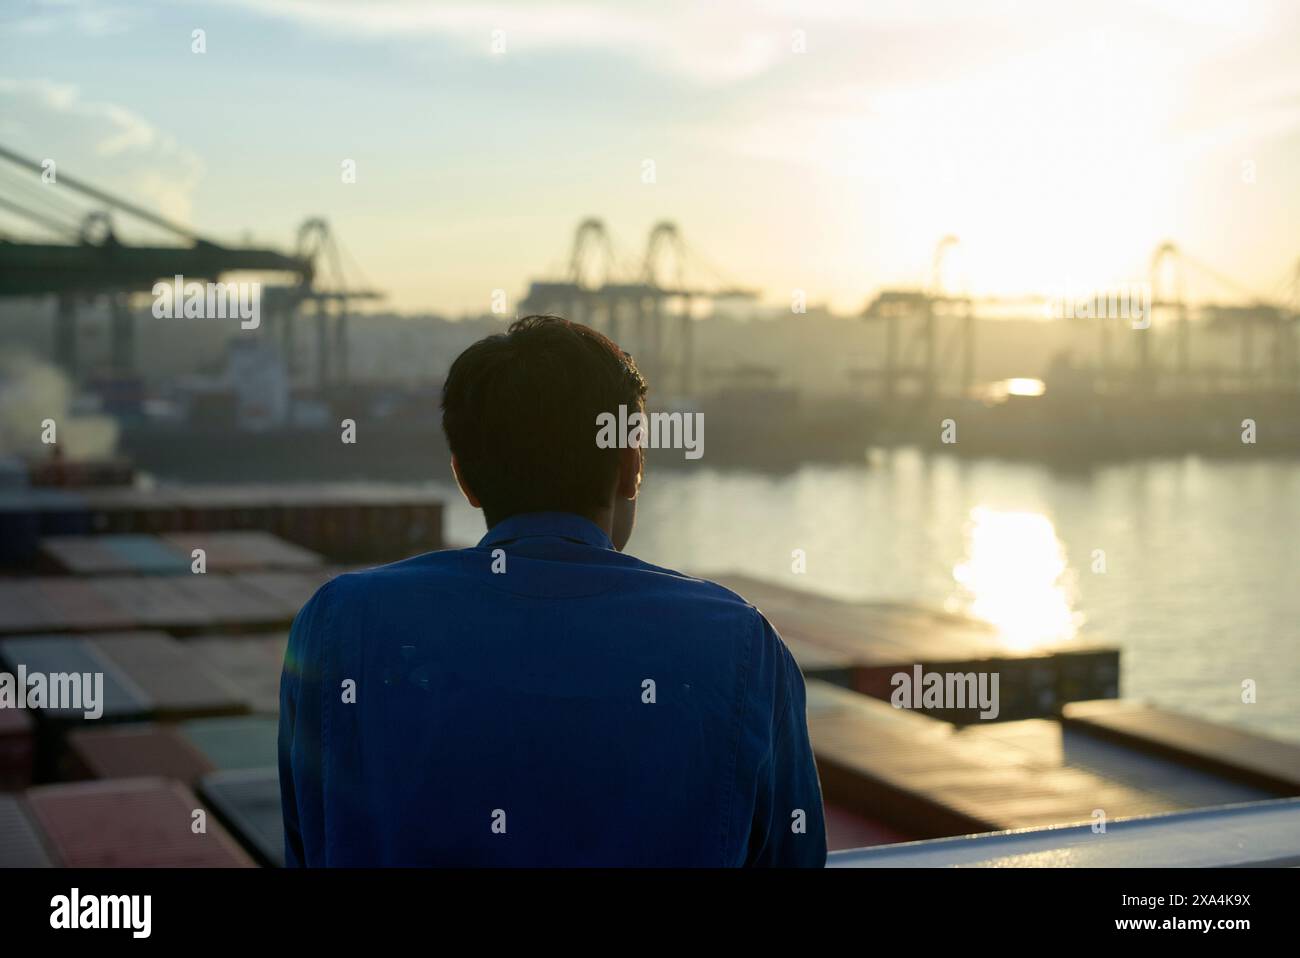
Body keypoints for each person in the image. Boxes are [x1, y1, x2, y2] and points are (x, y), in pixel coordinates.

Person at [279, 314, 826, 866]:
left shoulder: (336, 623)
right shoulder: (741, 643)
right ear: (631, 466)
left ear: (463, 477)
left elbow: (307, 844)